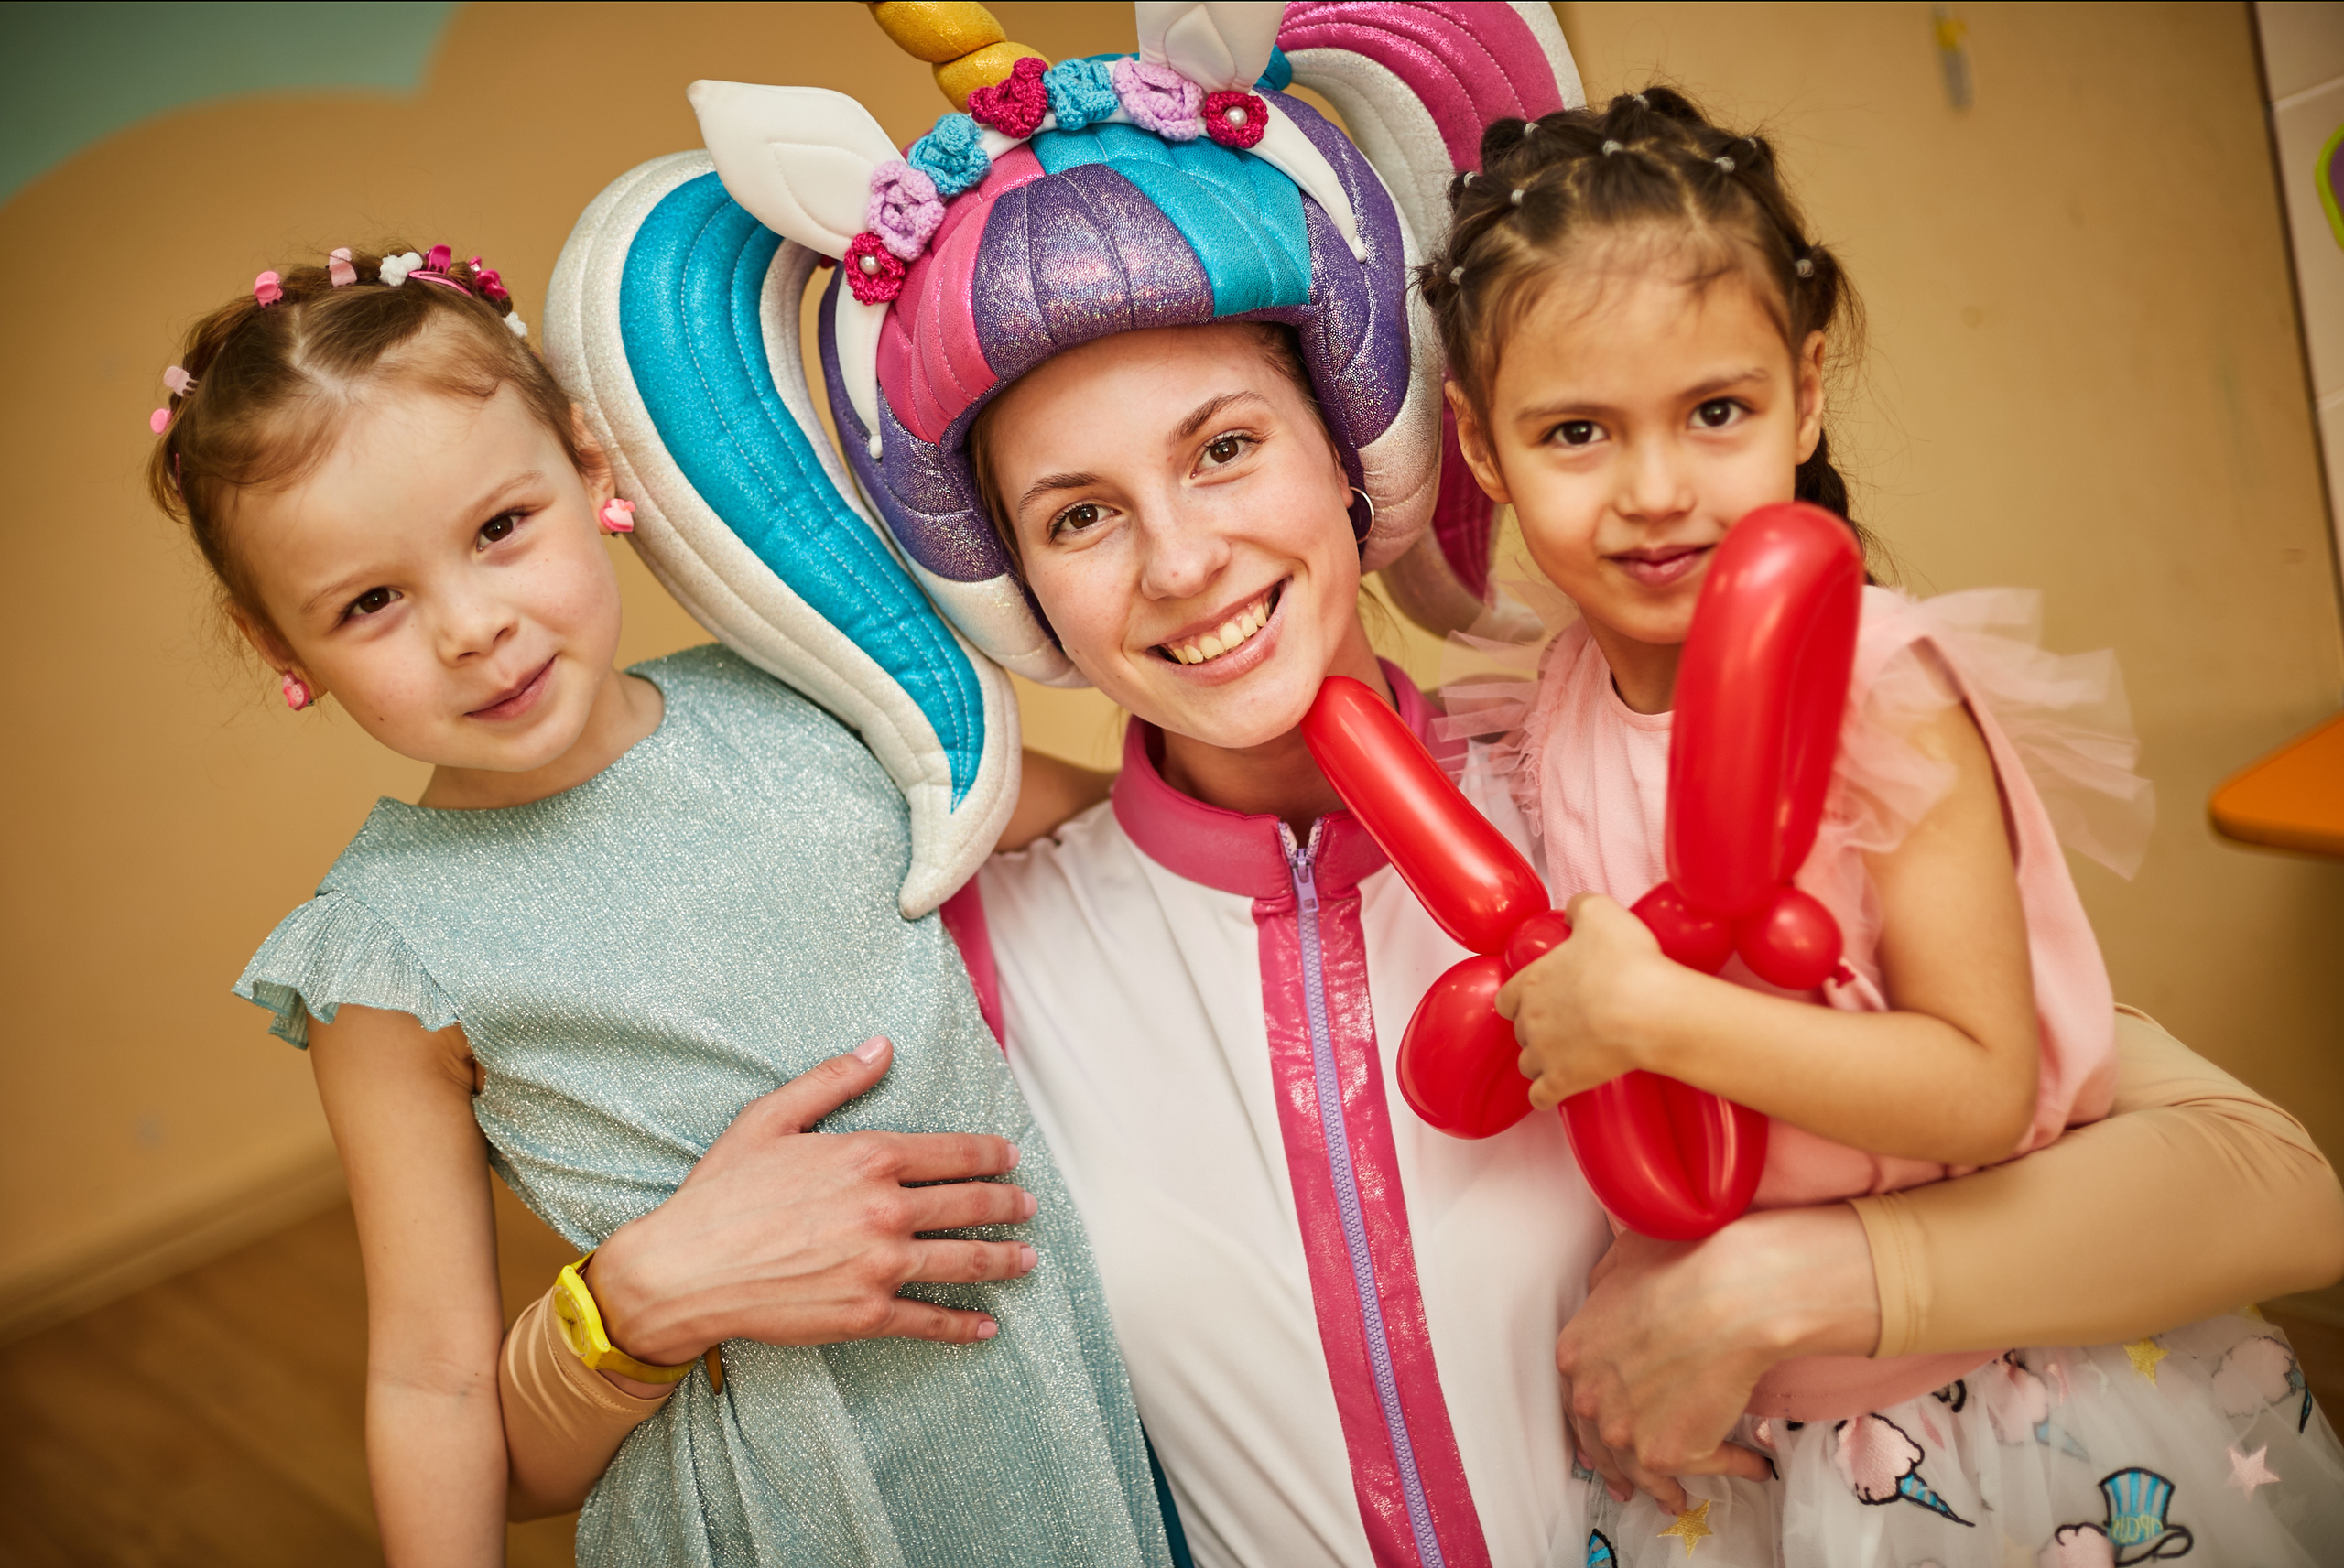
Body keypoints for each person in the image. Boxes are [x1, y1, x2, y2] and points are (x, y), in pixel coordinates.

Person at [502, 12, 2344, 1568]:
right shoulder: (982, 950)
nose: (1180, 563)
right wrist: (620, 1309)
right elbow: (536, 1463)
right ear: (1013, 579)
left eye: (1225, 448)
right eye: (1078, 515)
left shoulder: (1613, 760)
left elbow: (2266, 1185)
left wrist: (1774, 1288)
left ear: (1363, 446)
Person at [1424, 88, 2344, 1563]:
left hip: (1994, 1410)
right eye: (1577, 432)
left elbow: (1981, 1088)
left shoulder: (1879, 684)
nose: (1657, 493)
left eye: (1715, 413)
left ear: (1806, 389)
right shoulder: (1557, 700)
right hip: (1759, 1438)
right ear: (1480, 446)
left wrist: (1648, 1015)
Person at [146, 243, 1172, 1567]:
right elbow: (434, 1382)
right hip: (772, 1499)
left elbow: (1116, 825)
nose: (471, 626)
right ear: (282, 647)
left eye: (499, 529)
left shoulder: (815, 693)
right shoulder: (386, 951)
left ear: (590, 469)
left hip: (1056, 1395)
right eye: (371, 602)